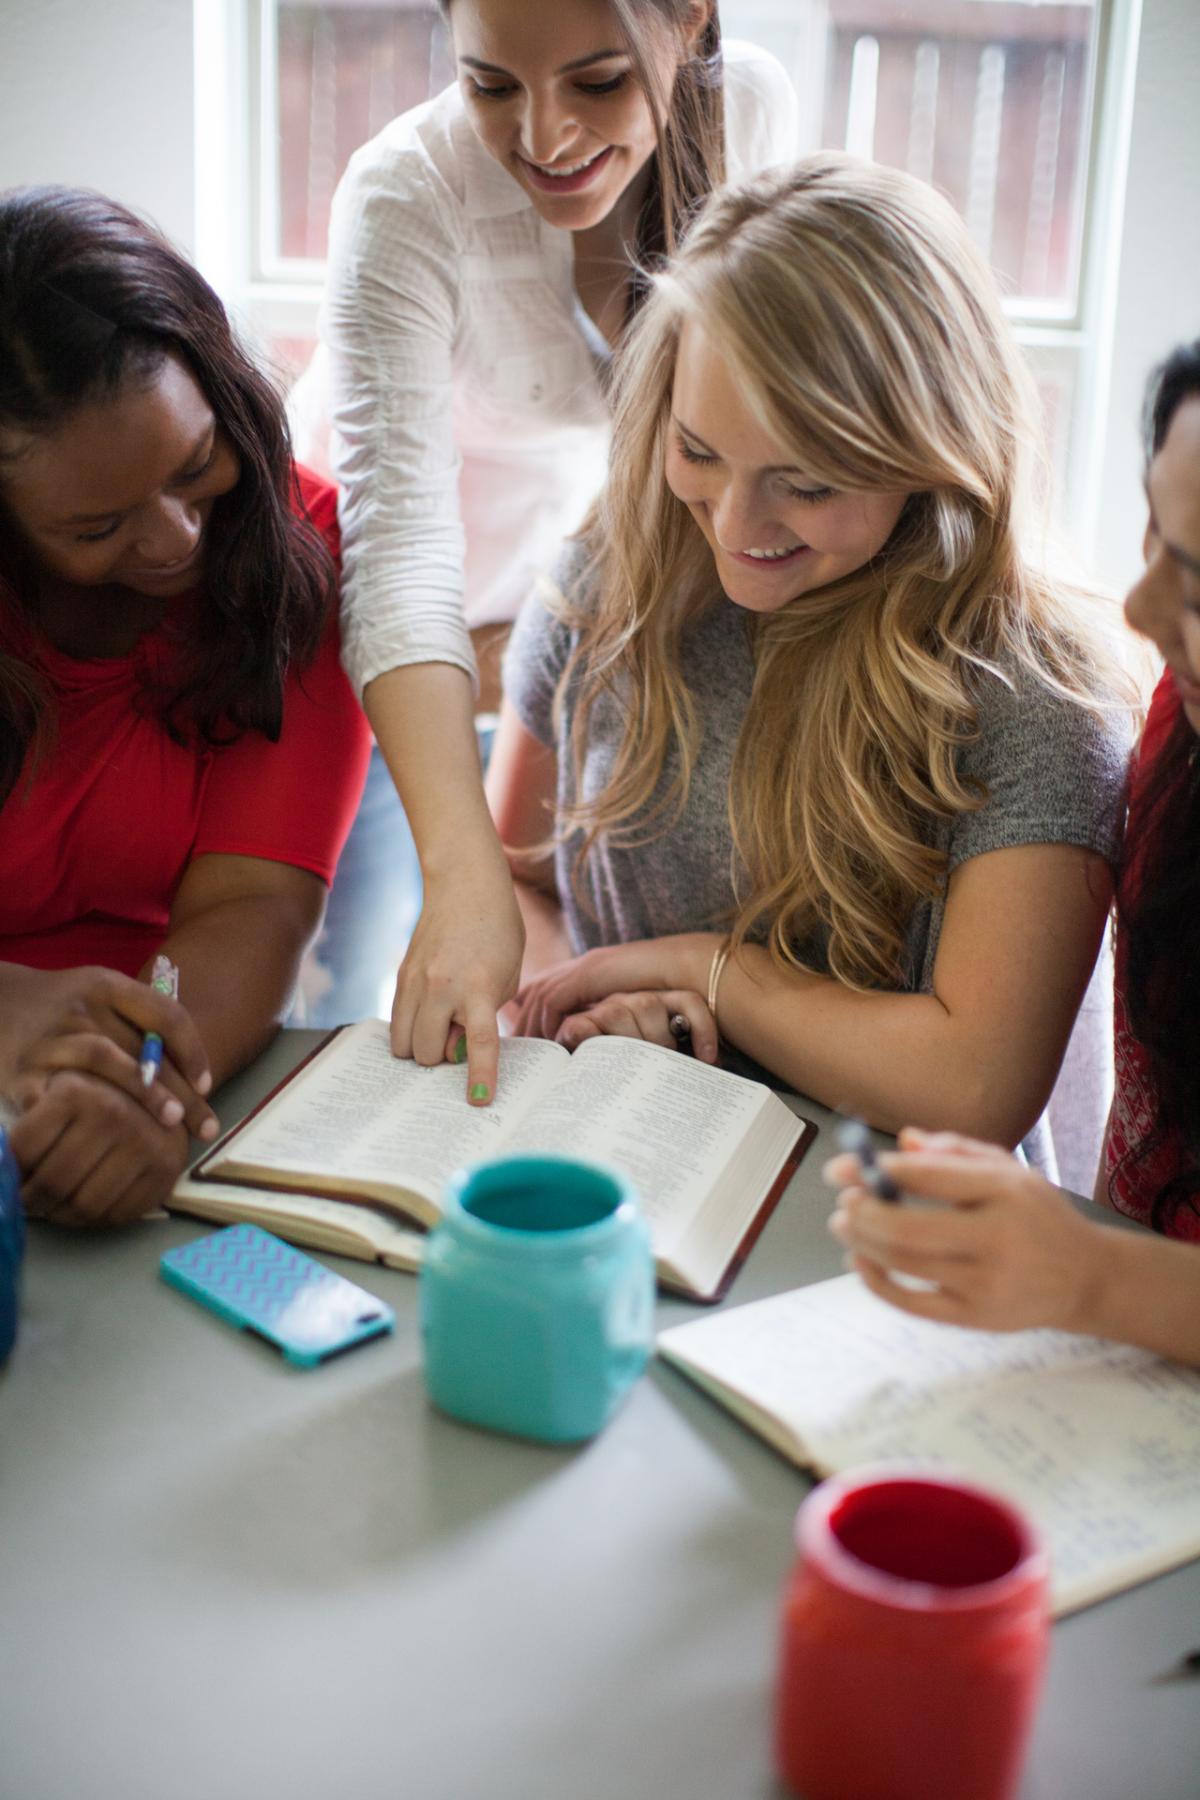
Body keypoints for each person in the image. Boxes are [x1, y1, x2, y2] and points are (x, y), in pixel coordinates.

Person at [488, 155, 1132, 1163]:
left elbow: (978, 1085)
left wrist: (711, 977)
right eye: (699, 451)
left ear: (930, 449)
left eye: (807, 483)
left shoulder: (1037, 696)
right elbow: (512, 873)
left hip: (894, 1235)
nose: (737, 525)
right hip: (626, 1159)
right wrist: (587, 1005)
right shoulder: (610, 576)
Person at [304, 0, 797, 1100]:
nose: (544, 138)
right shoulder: (404, 193)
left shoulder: (752, 110)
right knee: (354, 986)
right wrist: (460, 870)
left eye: (598, 83)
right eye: (491, 87)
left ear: (691, 21)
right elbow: (396, 548)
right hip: (373, 643)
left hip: (544, 615)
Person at [0, 186, 371, 1227]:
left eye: (194, 464)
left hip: (171, 1062)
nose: (173, 542)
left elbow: (255, 904)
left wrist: (145, 1080)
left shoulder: (302, 549)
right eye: (98, 525)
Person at [825, 340, 1200, 1368]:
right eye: (1155, 537)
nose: (1140, 613)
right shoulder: (1181, 724)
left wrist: (1092, 1274)